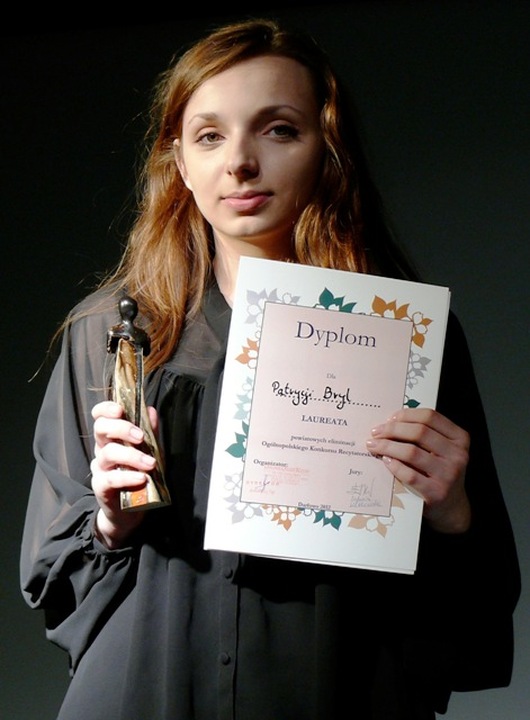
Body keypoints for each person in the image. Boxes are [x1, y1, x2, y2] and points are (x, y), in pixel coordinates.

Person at [20, 17, 520, 720]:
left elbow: (473, 612)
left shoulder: (405, 339)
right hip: (142, 691)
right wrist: (110, 521)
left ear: (328, 151)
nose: (240, 163)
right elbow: (52, 575)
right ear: (179, 163)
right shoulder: (110, 332)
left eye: (279, 129)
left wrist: (453, 514)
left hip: (336, 691)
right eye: (209, 136)